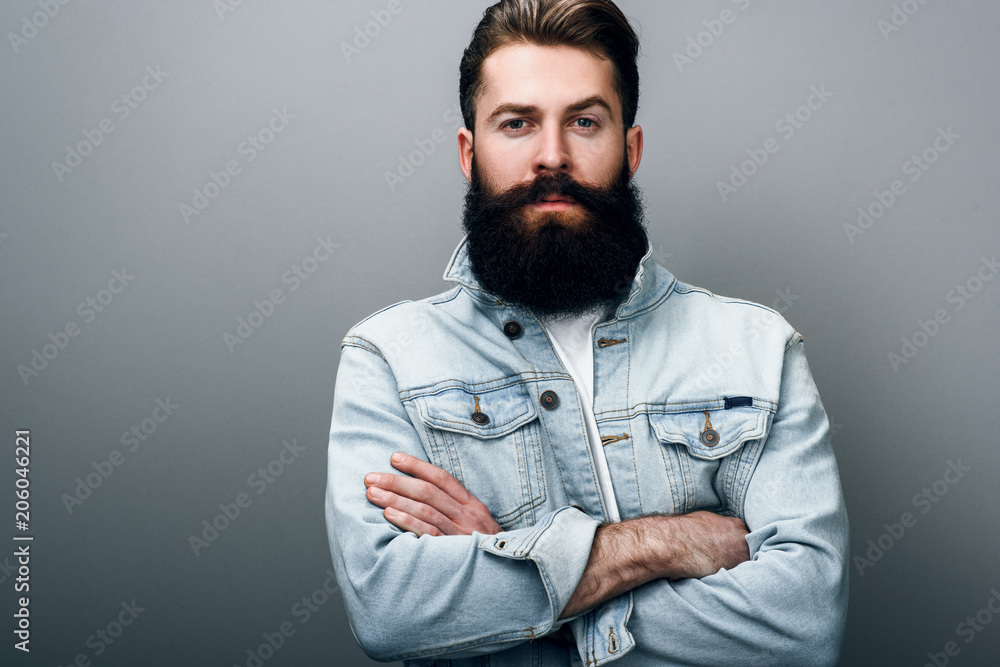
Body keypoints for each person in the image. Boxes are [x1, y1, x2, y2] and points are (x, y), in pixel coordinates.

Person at [325, 0, 849, 664]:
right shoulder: (389, 359)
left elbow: (804, 622)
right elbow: (390, 608)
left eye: (584, 121)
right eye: (517, 123)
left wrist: (513, 573)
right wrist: (660, 545)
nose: (553, 156)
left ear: (630, 149)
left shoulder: (756, 349)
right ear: (469, 153)